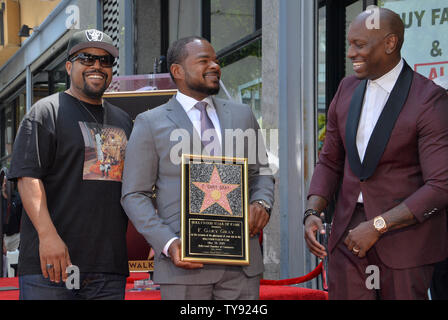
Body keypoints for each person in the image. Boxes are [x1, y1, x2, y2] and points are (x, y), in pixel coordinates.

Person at [304, 8, 448, 300]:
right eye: (349, 44)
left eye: (360, 45)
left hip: (405, 241)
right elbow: (330, 160)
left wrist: (379, 225)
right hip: (347, 238)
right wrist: (312, 211)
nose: (350, 53)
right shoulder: (345, 90)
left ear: (390, 43)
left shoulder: (430, 99)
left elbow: (441, 186)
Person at [121, 36, 274, 300]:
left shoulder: (243, 115)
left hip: (241, 269)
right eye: (204, 60)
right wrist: (168, 244)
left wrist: (262, 203)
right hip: (183, 269)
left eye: (215, 60)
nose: (215, 65)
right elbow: (134, 195)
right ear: (177, 71)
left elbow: (261, 172)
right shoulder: (150, 123)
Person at [7, 29, 133, 299]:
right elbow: (28, 179)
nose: (97, 66)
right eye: (86, 58)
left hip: (108, 268)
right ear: (68, 66)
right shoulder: (45, 112)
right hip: (51, 266)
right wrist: (47, 236)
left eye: (105, 61)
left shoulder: (123, 121)